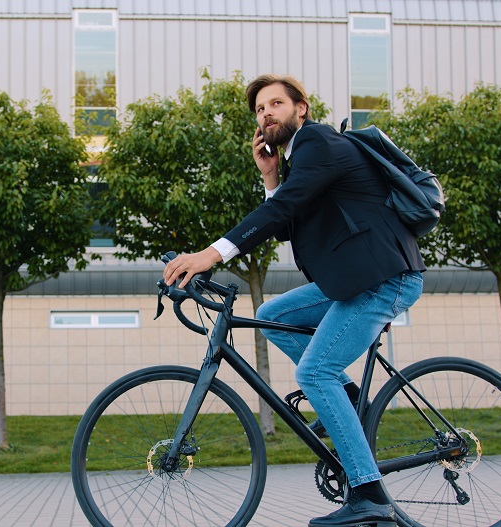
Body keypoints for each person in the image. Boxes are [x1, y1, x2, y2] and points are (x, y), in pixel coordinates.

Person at [162, 74, 425, 527]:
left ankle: (371, 497)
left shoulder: (317, 142)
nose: (266, 114)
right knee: (272, 313)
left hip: (384, 278)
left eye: (276, 104)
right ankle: (346, 396)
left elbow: (279, 212)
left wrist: (211, 254)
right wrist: (270, 176)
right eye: (260, 109)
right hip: (354, 279)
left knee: (313, 370)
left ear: (301, 109)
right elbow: (287, 219)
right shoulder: (301, 163)